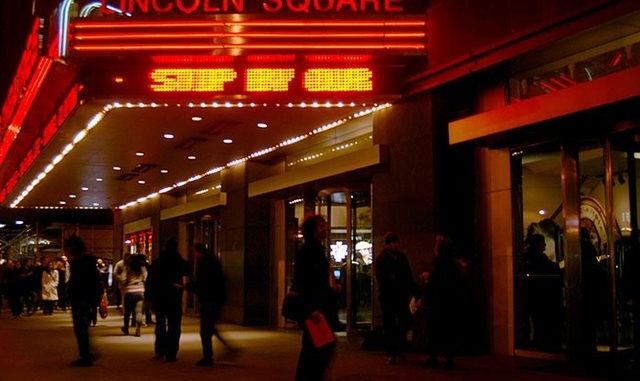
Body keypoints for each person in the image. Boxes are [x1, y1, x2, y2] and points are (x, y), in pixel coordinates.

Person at [292, 214, 340, 381]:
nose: (325, 228)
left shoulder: (315, 250)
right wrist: (311, 309)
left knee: (315, 348)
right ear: (313, 230)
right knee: (319, 347)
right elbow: (304, 282)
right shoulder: (309, 252)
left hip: (317, 307)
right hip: (315, 309)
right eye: (321, 226)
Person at [374, 232, 421, 365]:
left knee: (403, 321)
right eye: (393, 243)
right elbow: (382, 277)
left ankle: (395, 348)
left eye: (396, 242)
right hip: (391, 295)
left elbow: (407, 276)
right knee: (392, 323)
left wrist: (415, 291)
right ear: (388, 244)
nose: (395, 245)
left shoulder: (397, 257)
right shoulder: (384, 258)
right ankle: (393, 351)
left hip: (395, 295)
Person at [422, 234, 467, 370]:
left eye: (436, 246)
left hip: (439, 302)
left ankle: (435, 356)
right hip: (449, 302)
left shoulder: (440, 264)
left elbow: (438, 282)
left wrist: (428, 278)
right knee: (448, 329)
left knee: (436, 329)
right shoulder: (455, 265)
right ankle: (448, 357)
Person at [189, 243, 234, 366]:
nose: (194, 255)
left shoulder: (205, 264)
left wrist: (189, 286)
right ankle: (228, 349)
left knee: (206, 330)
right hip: (215, 299)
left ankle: (208, 357)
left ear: (199, 252)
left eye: (194, 252)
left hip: (210, 300)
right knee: (210, 328)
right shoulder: (212, 261)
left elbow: (204, 283)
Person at [145, 238, 189, 362]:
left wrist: (148, 297)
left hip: (159, 297)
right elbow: (188, 269)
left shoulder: (158, 262)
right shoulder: (178, 261)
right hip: (174, 297)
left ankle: (160, 350)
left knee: (160, 325)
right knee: (174, 326)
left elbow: (150, 281)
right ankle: (171, 352)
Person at [64, 235, 103, 367]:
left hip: (80, 299)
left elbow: (77, 282)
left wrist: (71, 295)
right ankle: (88, 352)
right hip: (88, 298)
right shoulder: (90, 261)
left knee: (80, 328)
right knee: (84, 327)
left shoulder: (77, 263)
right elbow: (96, 281)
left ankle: (85, 356)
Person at [522, 233, 563, 353]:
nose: (544, 244)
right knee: (545, 327)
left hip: (535, 301)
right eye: (542, 242)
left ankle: (541, 347)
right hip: (545, 301)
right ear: (538, 244)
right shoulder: (542, 262)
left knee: (538, 326)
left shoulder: (528, 261)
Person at [121, 254, 147, 337]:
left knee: (127, 311)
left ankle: (126, 328)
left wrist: (125, 284)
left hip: (130, 290)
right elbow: (146, 277)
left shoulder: (127, 267)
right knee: (139, 311)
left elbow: (123, 278)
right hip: (140, 290)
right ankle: (138, 329)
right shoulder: (142, 268)